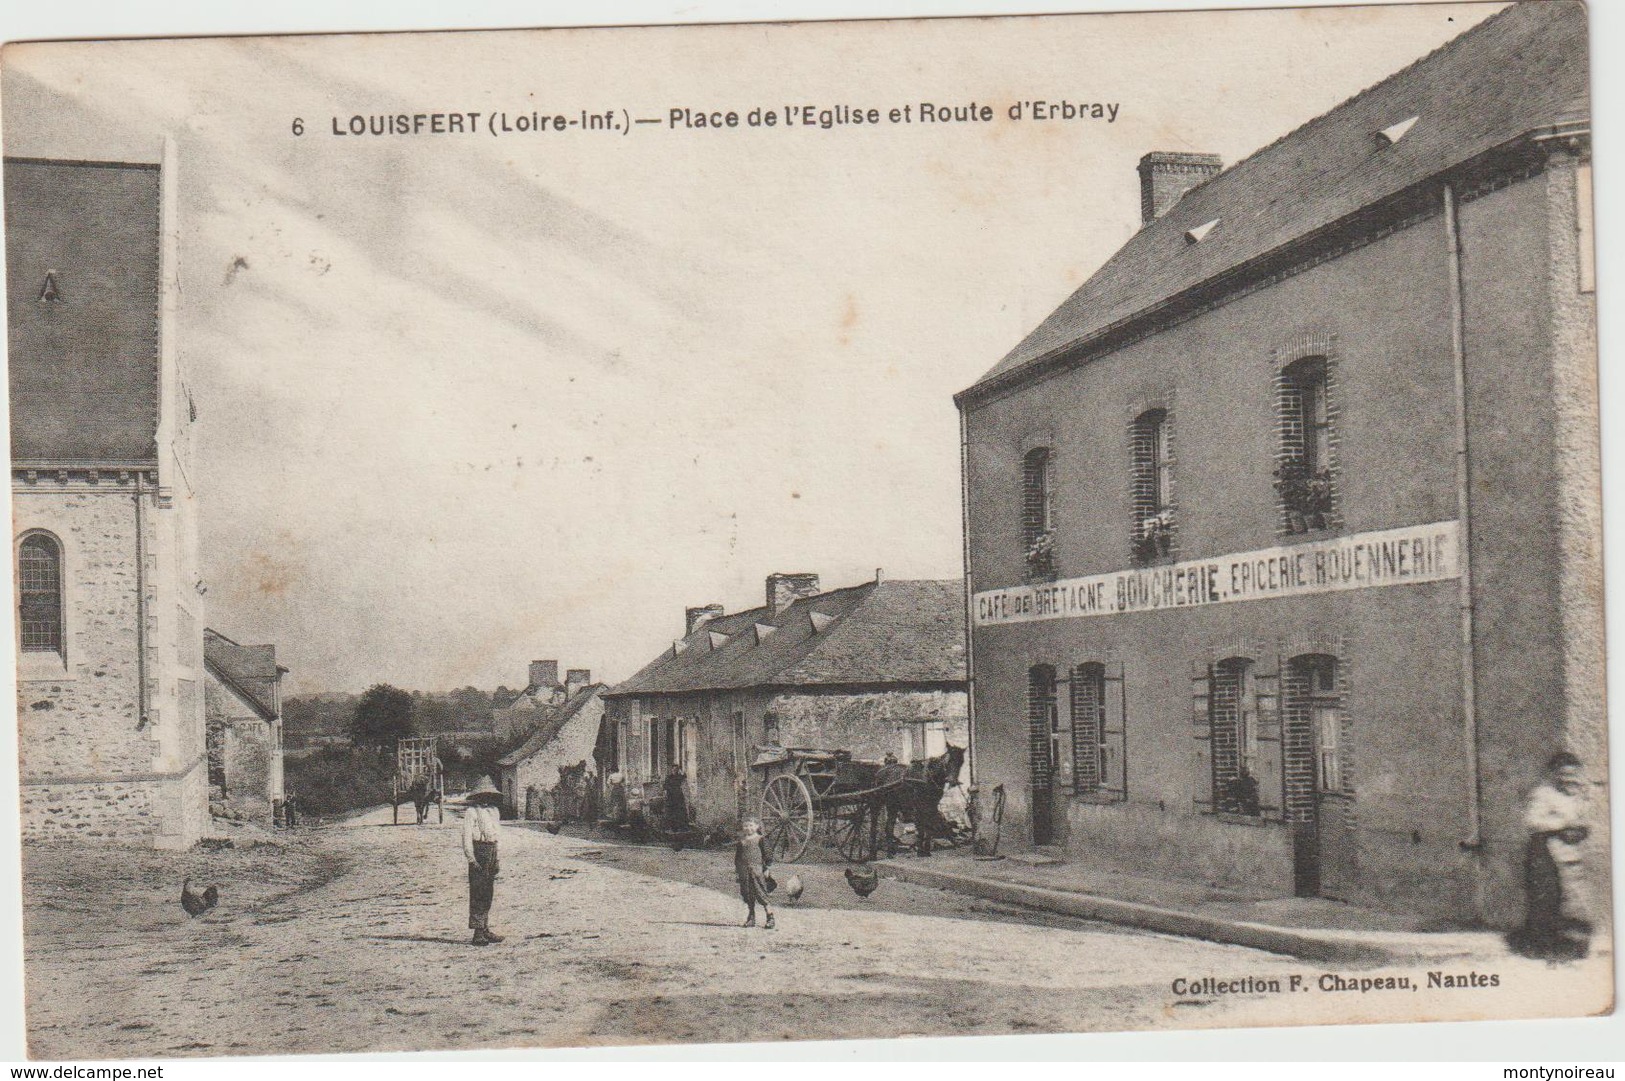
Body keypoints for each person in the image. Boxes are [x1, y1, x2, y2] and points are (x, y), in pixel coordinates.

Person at [1508, 752, 1593, 961]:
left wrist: (1581, 829)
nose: (1568, 778)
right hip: (1546, 857)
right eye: (1564, 774)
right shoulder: (1543, 794)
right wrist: (1561, 826)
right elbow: (1532, 822)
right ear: (1554, 773)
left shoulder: (1577, 796)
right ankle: (1545, 948)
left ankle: (1572, 947)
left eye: (1573, 774)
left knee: (1576, 900)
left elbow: (1584, 822)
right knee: (1548, 901)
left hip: (1572, 855)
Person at [462, 776, 506, 947]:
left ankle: (485, 928)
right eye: (483, 795)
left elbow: (498, 835)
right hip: (478, 850)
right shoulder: (471, 812)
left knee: (488, 891)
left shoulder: (494, 811)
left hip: (492, 850)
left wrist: (498, 857)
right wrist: (471, 858)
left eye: (489, 795)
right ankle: (478, 932)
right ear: (477, 796)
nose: (486, 798)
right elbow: (466, 837)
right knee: (478, 891)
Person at [734, 818, 774, 929]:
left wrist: (767, 868)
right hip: (744, 872)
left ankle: (770, 917)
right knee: (747, 894)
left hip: (757, 871)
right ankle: (751, 917)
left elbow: (768, 855)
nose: (748, 828)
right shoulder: (741, 842)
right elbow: (738, 858)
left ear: (757, 826)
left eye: (751, 825)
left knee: (761, 894)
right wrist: (738, 872)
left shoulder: (761, 840)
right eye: (746, 826)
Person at [662, 762, 689, 835]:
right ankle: (671, 828)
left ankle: (681, 827)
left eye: (676, 769)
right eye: (674, 769)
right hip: (671, 797)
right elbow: (665, 786)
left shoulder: (679, 776)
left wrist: (682, 771)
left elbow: (685, 776)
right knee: (671, 812)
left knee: (680, 811)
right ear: (671, 770)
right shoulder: (668, 777)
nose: (675, 770)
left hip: (678, 796)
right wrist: (665, 794)